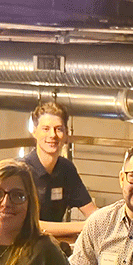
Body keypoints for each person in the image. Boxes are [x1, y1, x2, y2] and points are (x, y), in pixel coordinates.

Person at [23, 102, 95, 240]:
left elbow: (92, 211)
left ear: (66, 134)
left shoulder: (66, 169)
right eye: (46, 129)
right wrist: (83, 226)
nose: (52, 135)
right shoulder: (21, 170)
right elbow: (30, 224)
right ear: (34, 132)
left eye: (58, 129)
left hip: (53, 245)